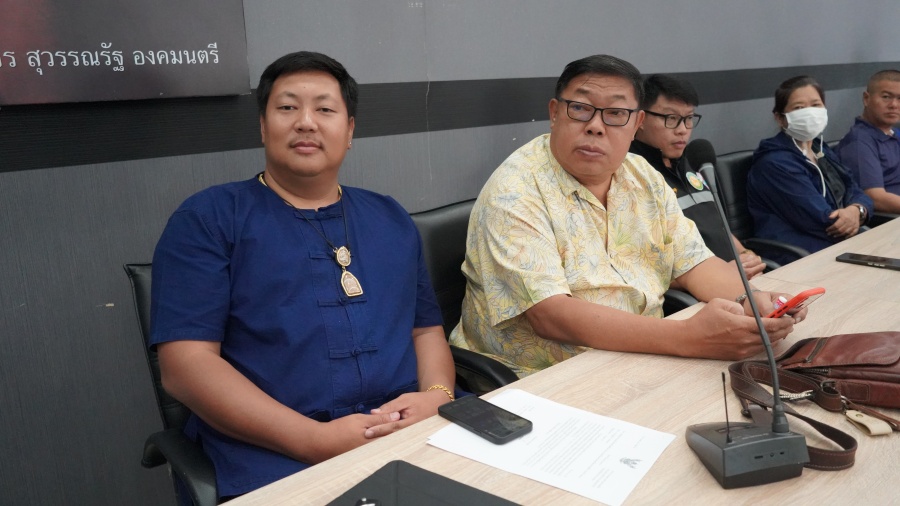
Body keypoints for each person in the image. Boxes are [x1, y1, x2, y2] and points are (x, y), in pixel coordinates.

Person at [150, 51, 455, 499]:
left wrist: (438, 396)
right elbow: (185, 366)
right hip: (275, 451)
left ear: (350, 130)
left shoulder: (389, 216)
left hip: (409, 428)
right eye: (288, 107)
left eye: (325, 109)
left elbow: (425, 330)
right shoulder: (208, 218)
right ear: (263, 125)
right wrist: (313, 440)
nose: (306, 122)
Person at [448, 55, 804, 378]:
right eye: (580, 108)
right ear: (555, 112)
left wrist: (753, 300)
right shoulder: (514, 190)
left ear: (637, 124)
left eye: (616, 114)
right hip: (539, 379)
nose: (596, 126)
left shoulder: (642, 175)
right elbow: (550, 316)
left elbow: (693, 262)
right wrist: (687, 337)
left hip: (642, 355)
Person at [630, 74, 765, 279]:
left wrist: (745, 254)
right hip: (698, 287)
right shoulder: (631, 174)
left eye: (688, 119)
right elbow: (642, 264)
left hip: (741, 276)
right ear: (640, 119)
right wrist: (719, 274)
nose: (682, 130)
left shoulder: (693, 161)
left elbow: (718, 225)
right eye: (671, 118)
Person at [747, 76, 874, 265]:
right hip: (801, 255)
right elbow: (823, 222)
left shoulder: (819, 148)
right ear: (780, 118)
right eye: (799, 108)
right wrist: (853, 217)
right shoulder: (774, 163)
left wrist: (857, 210)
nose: (810, 113)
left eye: (816, 105)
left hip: (839, 245)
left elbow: (854, 189)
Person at [835, 69, 900, 214]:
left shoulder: (894, 134)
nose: (894, 105)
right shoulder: (859, 142)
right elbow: (875, 198)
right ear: (866, 99)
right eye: (886, 97)